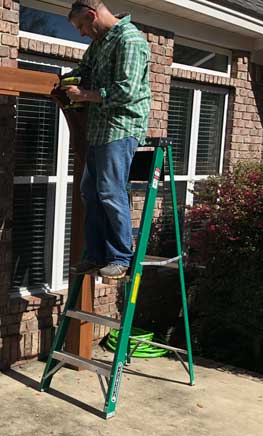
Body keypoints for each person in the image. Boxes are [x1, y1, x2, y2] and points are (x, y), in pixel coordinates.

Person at [62, 0, 152, 279]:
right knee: (90, 191)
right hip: (99, 130)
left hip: (121, 128)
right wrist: (63, 82)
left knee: (111, 192)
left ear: (91, 15)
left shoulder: (131, 40)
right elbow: (83, 72)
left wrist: (86, 95)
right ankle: (96, 254)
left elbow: (127, 91)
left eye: (81, 27)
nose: (81, 34)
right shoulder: (99, 45)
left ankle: (121, 257)